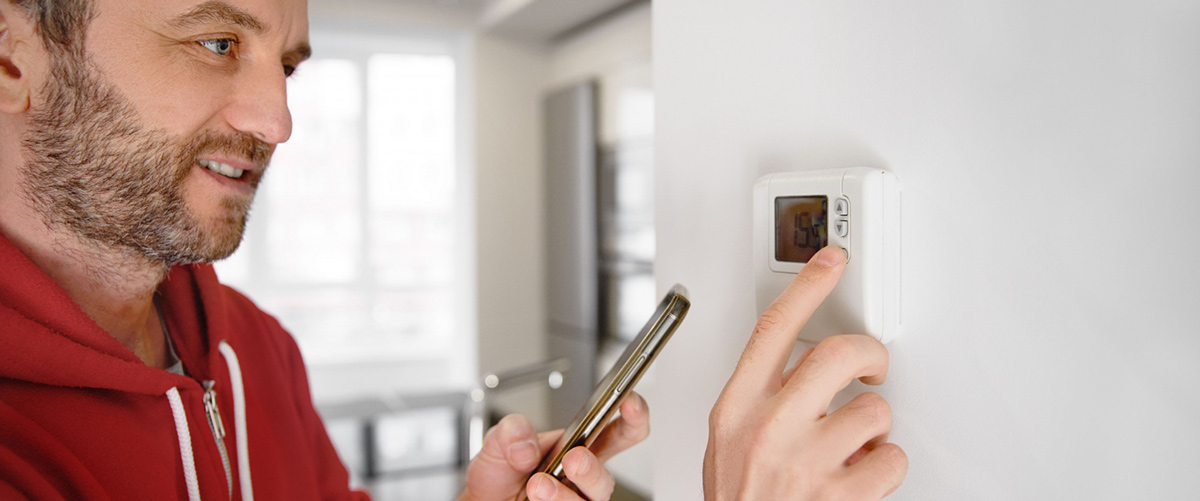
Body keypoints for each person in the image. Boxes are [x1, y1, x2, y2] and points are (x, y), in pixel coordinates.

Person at [0, 0, 907, 499]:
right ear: (12, 55)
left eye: (287, 64)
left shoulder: (253, 348)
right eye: (216, 40)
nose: (278, 118)